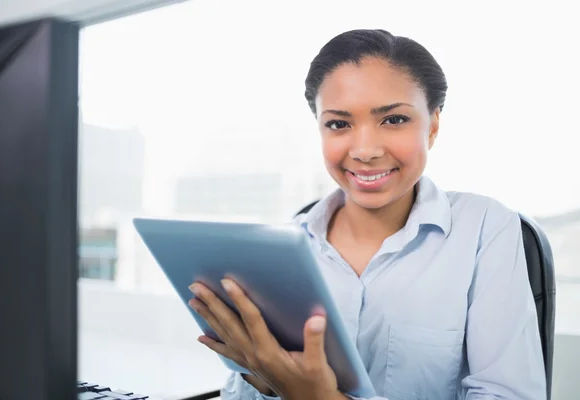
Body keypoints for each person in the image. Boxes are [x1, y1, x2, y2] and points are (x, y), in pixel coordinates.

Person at [186, 29, 547, 399]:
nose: (365, 150)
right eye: (339, 124)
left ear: (433, 125)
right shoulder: (287, 244)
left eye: (393, 120)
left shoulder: (485, 228)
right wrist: (262, 378)